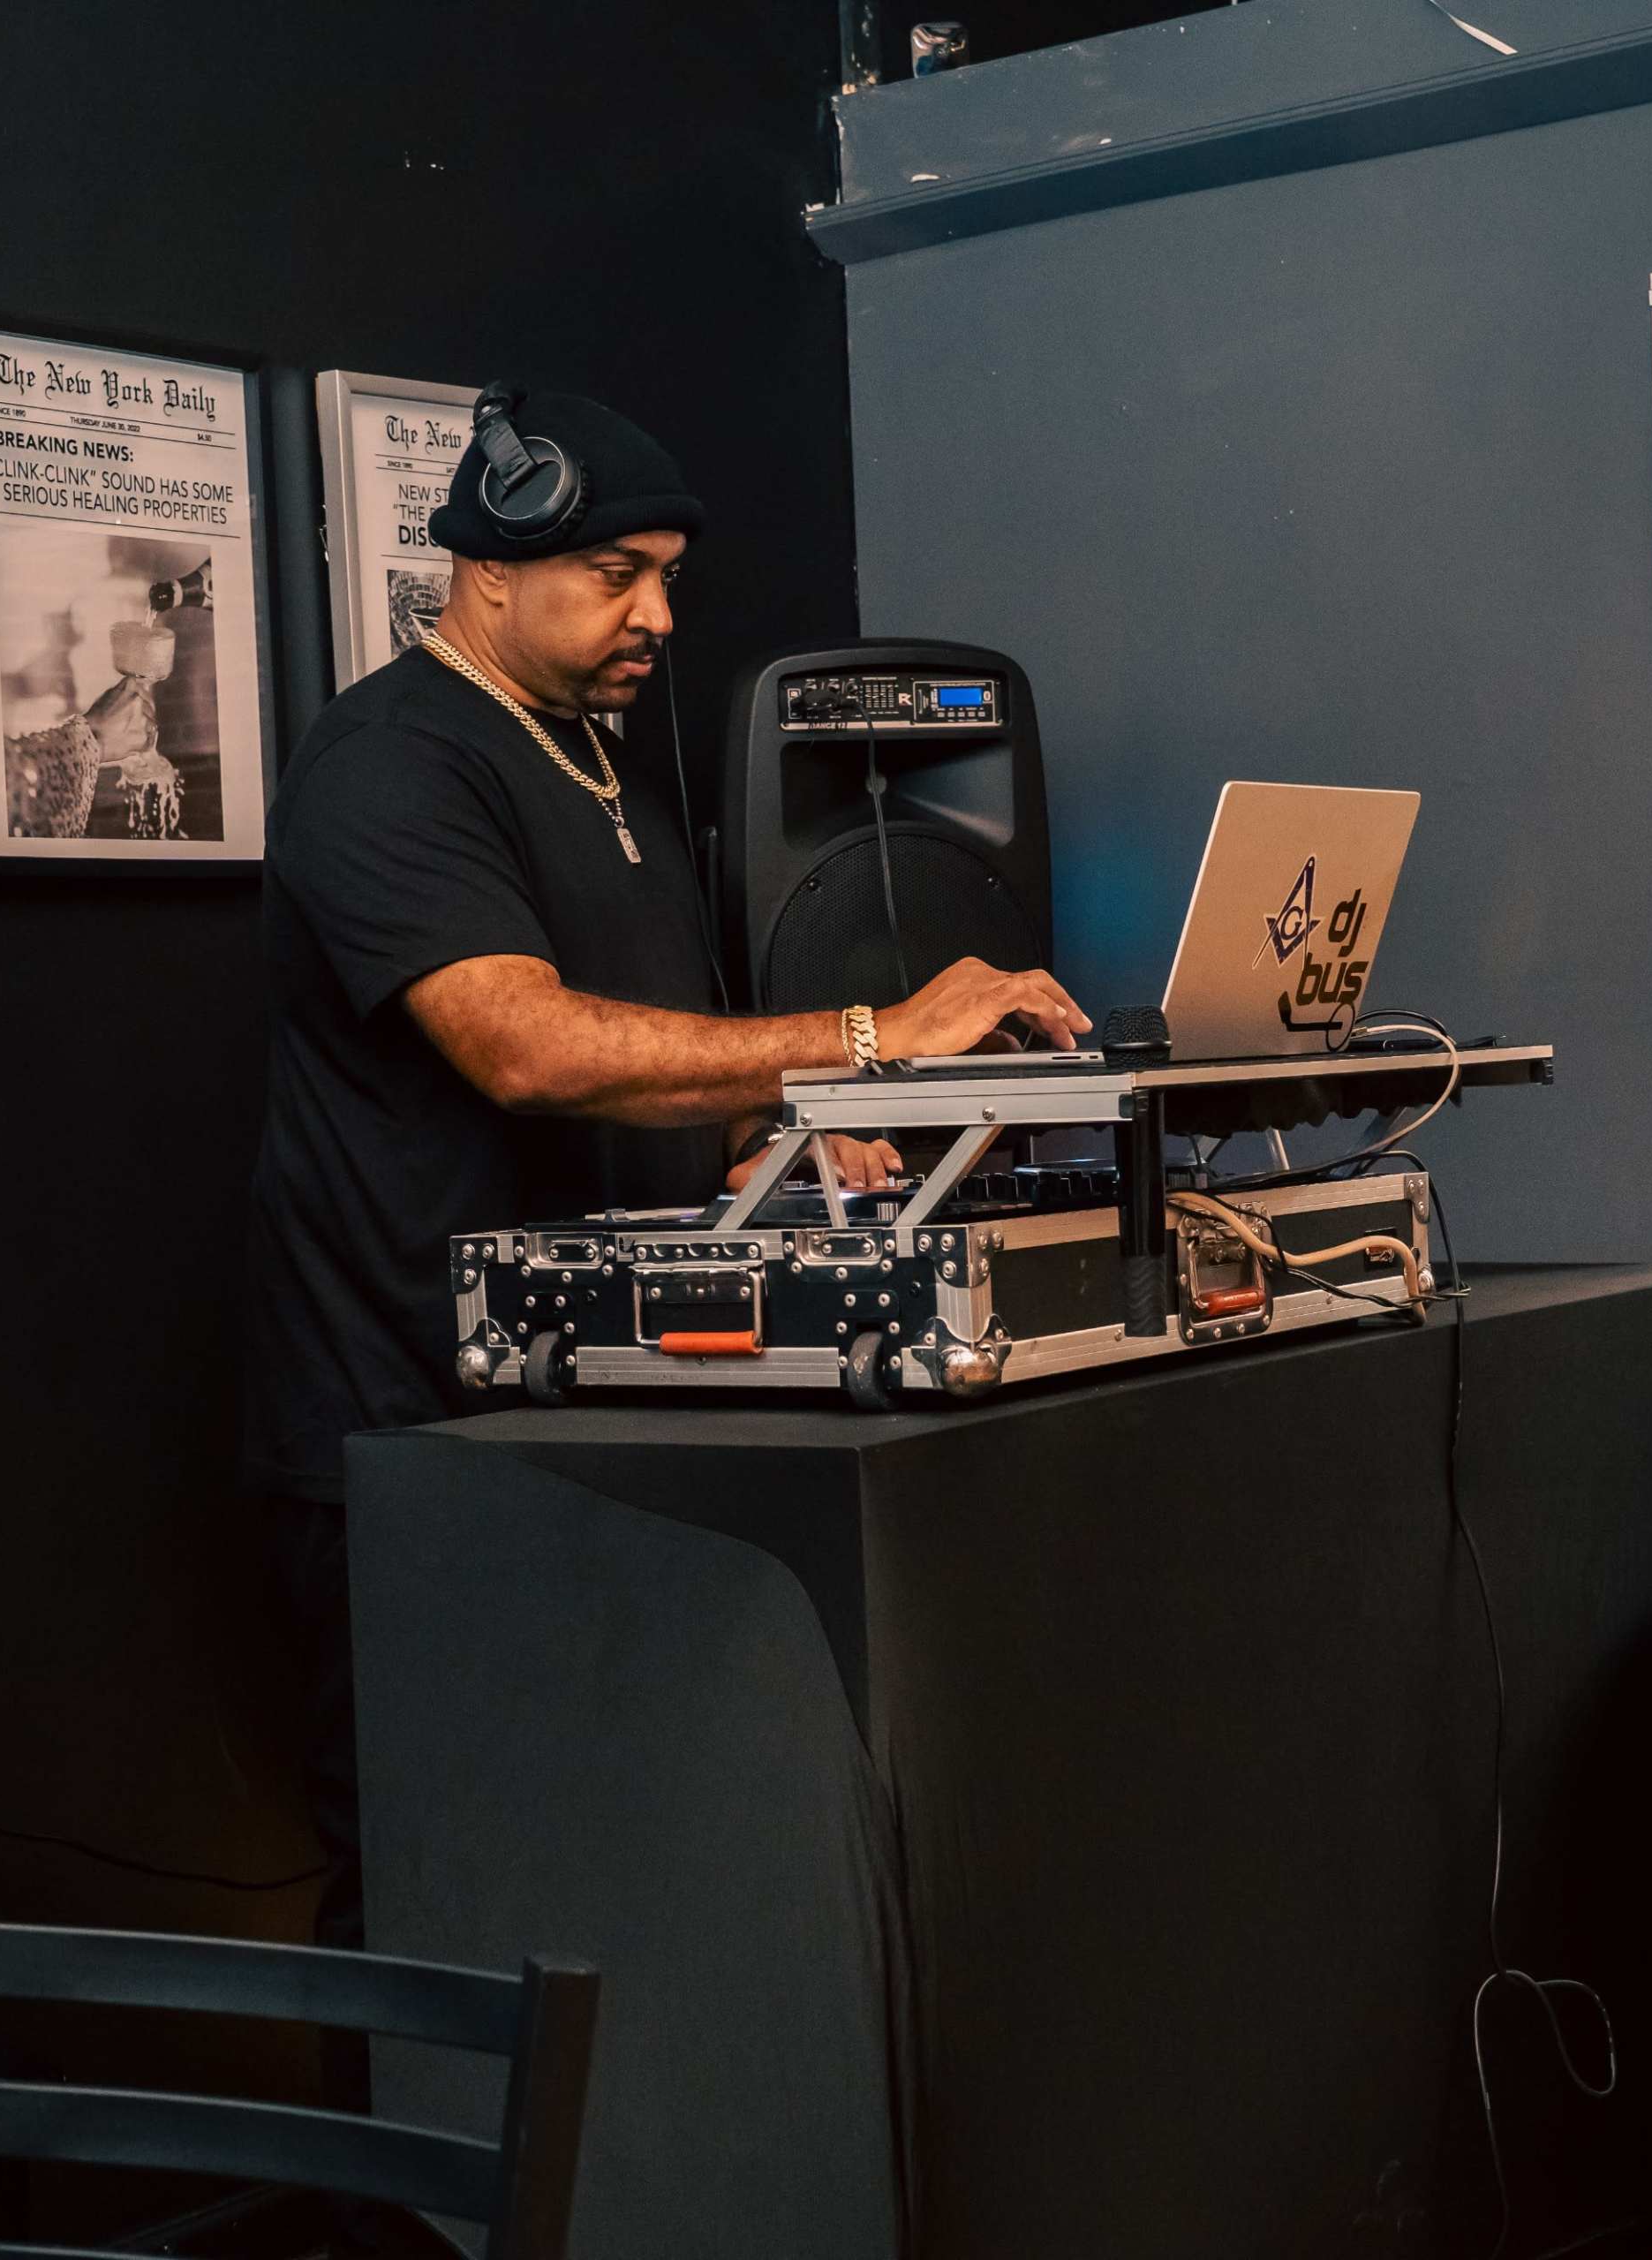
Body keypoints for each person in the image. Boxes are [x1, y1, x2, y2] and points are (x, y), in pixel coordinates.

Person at [240, 388, 1086, 2008]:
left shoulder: (594, 761)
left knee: (594, 1859)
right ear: (488, 568)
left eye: (669, 574)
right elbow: (526, 1049)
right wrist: (864, 1033)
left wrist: (776, 1140)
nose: (661, 614)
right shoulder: (389, 758)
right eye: (619, 573)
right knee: (435, 1872)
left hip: (579, 1419)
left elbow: (644, 1084)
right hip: (404, 1431)